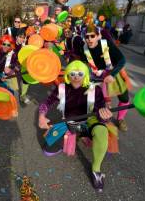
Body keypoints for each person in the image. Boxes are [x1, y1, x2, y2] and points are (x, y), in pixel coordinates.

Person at [38, 60, 112, 192]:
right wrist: (42, 115)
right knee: (48, 150)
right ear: (67, 75)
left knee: (102, 131)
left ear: (85, 75)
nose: (76, 77)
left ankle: (96, 170)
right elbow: (47, 102)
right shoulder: (62, 88)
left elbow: (101, 112)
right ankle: (72, 136)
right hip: (68, 121)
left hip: (89, 121)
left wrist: (104, 116)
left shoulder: (95, 89)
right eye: (72, 73)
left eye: (80, 73)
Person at [81, 23, 130, 131]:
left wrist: (112, 74)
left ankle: (121, 119)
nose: (89, 39)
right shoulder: (84, 48)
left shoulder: (106, 44)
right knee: (96, 102)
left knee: (124, 98)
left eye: (92, 36)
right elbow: (82, 63)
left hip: (113, 74)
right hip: (96, 78)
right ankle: (96, 124)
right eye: (87, 36)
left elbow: (122, 60)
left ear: (98, 36)